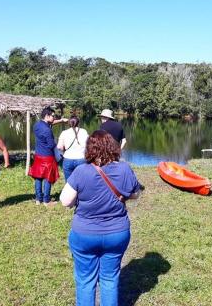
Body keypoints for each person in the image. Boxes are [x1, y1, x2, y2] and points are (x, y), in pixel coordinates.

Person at [60, 130, 141, 306]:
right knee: (110, 279)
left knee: (85, 280)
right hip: (117, 234)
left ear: (89, 150)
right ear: (113, 147)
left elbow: (65, 201)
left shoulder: (81, 171)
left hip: (84, 235)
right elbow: (135, 194)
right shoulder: (125, 169)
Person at [28, 106, 67, 207]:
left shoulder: (36, 125)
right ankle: (46, 200)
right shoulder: (47, 130)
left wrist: (61, 120)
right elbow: (51, 145)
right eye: (53, 116)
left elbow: (50, 123)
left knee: (38, 177)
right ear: (47, 116)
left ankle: (38, 199)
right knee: (48, 178)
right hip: (47, 157)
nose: (54, 118)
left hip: (38, 155)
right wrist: (57, 145)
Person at [57, 115, 88, 181]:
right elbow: (89, 144)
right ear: (78, 123)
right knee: (81, 181)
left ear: (69, 123)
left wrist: (63, 151)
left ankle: (70, 191)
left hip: (68, 159)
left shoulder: (64, 133)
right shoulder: (84, 131)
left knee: (69, 182)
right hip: (81, 159)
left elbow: (59, 147)